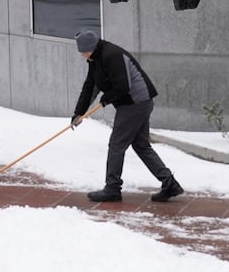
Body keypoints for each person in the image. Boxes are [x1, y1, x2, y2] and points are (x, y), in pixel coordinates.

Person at [70, 30, 183, 203]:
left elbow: (123, 85)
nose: (81, 55)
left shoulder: (111, 55)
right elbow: (90, 86)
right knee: (141, 145)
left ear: (91, 47)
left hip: (135, 103)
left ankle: (112, 189)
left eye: (83, 51)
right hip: (135, 103)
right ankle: (170, 184)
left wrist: (106, 99)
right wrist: (79, 112)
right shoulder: (95, 59)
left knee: (116, 145)